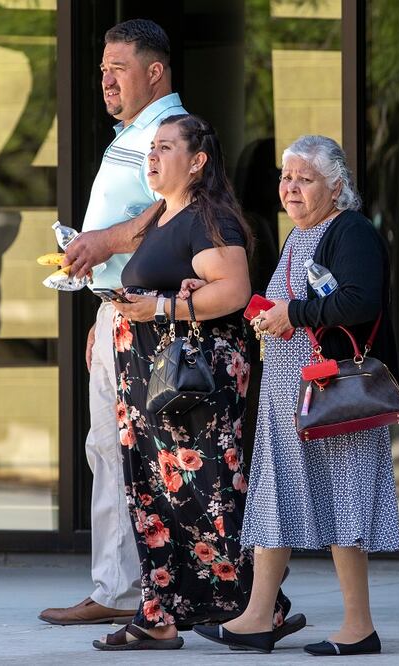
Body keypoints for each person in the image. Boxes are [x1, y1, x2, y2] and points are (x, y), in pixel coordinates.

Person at [93, 114, 304, 650]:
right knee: (153, 498)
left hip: (196, 382)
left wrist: (160, 305)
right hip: (148, 381)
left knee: (206, 495)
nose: (153, 156)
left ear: (198, 161)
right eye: (152, 148)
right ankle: (157, 614)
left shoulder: (211, 219)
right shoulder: (162, 214)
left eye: (166, 147)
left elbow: (233, 291)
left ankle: (260, 607)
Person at [194, 135, 399, 656]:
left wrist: (295, 314)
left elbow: (359, 301)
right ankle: (258, 617)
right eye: (286, 178)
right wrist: (273, 313)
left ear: (336, 186)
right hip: (292, 393)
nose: (290, 188)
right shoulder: (297, 237)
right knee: (275, 497)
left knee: (344, 499)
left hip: (336, 394)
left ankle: (359, 626)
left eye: (304, 179)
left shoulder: (350, 230)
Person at [39, 19, 187, 626]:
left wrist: (105, 242)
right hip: (116, 312)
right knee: (105, 450)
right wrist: (101, 307)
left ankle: (152, 592)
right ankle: (117, 588)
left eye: (117, 68)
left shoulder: (173, 132)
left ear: (154, 72)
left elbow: (179, 206)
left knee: (154, 457)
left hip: (152, 316)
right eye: (102, 69)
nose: (105, 79)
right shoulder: (132, 131)